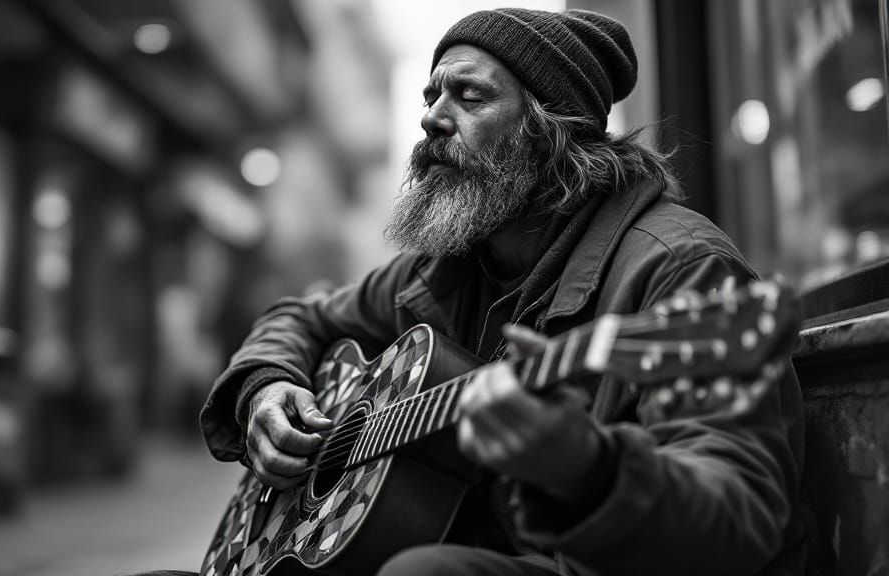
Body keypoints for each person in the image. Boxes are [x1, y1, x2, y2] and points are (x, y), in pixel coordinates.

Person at [139, 8, 807, 576]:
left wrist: (589, 470)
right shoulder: (441, 270)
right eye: (431, 96)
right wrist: (265, 387)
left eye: (470, 97)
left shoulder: (681, 270)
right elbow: (301, 316)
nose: (432, 118)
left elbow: (741, 516)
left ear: (550, 129)